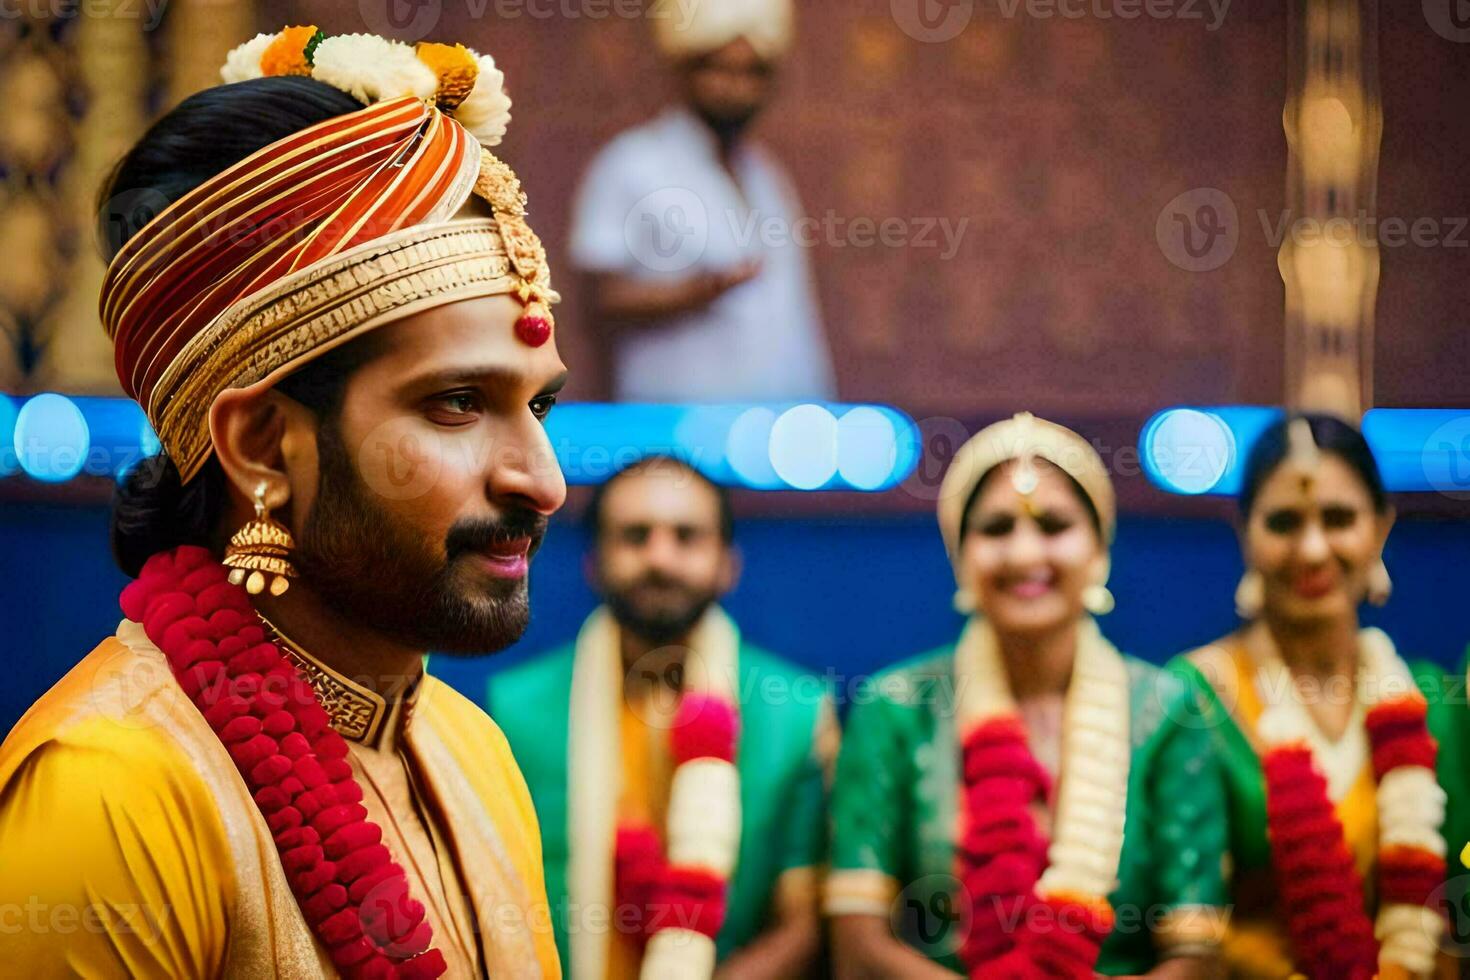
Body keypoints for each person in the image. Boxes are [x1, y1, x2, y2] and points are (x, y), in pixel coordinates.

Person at [0, 27, 568, 977]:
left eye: (538, 403)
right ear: (263, 446)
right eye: (458, 404)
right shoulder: (111, 797)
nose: (542, 480)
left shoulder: (474, 752)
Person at [826, 413, 1228, 978]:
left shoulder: (1167, 711)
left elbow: (1196, 955)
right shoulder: (897, 706)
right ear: (959, 557)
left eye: (1054, 525)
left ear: (1099, 551)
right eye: (995, 528)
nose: (1023, 554)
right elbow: (857, 946)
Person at [487, 455, 832, 979]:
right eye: (635, 536)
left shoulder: (796, 713)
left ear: (727, 564)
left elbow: (804, 923)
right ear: (594, 563)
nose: (660, 559)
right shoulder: (514, 712)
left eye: (686, 536)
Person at [1172, 414, 1448, 979]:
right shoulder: (1195, 694)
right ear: (1244, 531)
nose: (1313, 549)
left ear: (1383, 527)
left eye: (1339, 518)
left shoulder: (1430, 702)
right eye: (1284, 522)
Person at [568, 0, 836, 403]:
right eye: (720, 69)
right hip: (669, 432)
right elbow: (598, 299)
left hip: (781, 435)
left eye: (754, 73)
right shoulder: (631, 164)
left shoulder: (766, 175)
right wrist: (698, 291)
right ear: (684, 70)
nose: (737, 88)